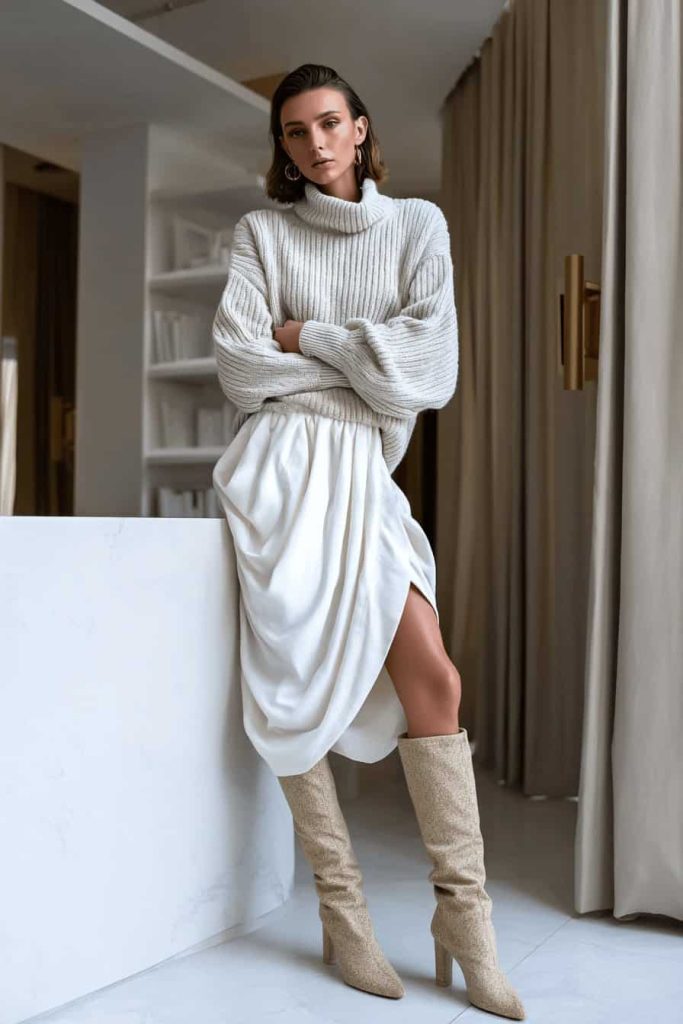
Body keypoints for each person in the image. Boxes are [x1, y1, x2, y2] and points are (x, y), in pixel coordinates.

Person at [211, 63, 526, 1021]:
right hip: (277, 474)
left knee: (433, 679)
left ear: (358, 129)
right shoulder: (262, 232)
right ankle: (343, 914)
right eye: (293, 131)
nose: (313, 143)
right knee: (289, 683)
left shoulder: (416, 226)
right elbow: (239, 367)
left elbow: (428, 371)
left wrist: (309, 335)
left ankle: (464, 921)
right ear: (283, 146)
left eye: (328, 123)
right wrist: (363, 361)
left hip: (362, 477)